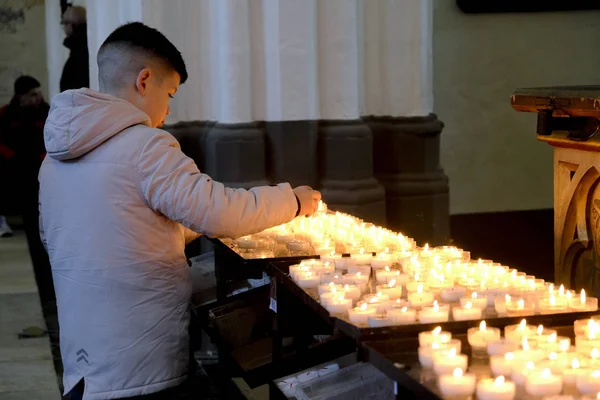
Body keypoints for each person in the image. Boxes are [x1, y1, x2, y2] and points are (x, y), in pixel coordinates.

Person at [39, 22, 321, 400]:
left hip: (84, 363)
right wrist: (295, 200)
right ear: (144, 81)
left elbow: (96, 227)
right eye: (169, 93)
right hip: (139, 363)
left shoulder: (56, 156)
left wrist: (180, 229)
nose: (168, 110)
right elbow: (217, 211)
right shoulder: (146, 146)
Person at [0, 76, 65, 391]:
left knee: (44, 237)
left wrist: (45, 158)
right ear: (21, 96)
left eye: (40, 92)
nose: (38, 97)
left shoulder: (49, 112)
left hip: (42, 178)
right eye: (33, 94)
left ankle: (49, 285)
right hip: (19, 181)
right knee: (31, 233)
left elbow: (55, 138)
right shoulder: (7, 115)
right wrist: (15, 160)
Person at [60, 5, 89, 92]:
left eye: (64, 23)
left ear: (72, 25)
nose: (64, 28)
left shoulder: (78, 54)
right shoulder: (87, 46)